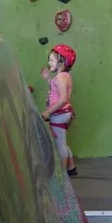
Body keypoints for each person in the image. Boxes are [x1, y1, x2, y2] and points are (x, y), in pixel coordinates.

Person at [43, 44, 77, 174]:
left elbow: (62, 99)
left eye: (51, 60)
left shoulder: (61, 77)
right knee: (62, 141)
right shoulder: (63, 76)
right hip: (64, 113)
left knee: (59, 144)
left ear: (61, 61)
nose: (49, 62)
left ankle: (62, 173)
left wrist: (48, 112)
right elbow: (56, 89)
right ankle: (71, 167)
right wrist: (48, 79)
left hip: (59, 113)